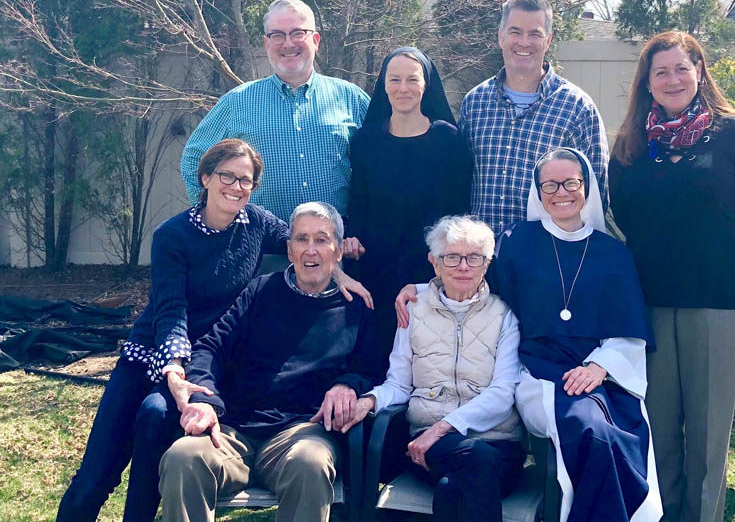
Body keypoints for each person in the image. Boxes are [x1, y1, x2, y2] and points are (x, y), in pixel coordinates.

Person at [396, 149, 662, 521]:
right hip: (538, 371)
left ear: (587, 188)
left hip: (600, 374)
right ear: (538, 191)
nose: (561, 192)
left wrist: (600, 366)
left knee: (618, 436)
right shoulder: (517, 240)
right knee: (592, 434)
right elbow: (472, 285)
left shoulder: (613, 252)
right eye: (549, 184)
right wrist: (420, 289)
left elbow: (629, 327)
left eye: (571, 182)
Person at [57, 139, 286, 522]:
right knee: (97, 472)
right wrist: (174, 370)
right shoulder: (172, 235)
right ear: (206, 177)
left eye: (246, 180)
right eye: (227, 175)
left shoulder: (257, 223)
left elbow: (304, 243)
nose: (236, 186)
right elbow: (171, 310)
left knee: (156, 420)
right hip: (152, 353)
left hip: (204, 363)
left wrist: (342, 258)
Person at [609, 31, 735, 522]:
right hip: (651, 300)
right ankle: (661, 514)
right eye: (660, 71)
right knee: (660, 424)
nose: (672, 79)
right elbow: (622, 212)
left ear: (700, 71)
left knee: (708, 431)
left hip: (718, 300)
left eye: (681, 68)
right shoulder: (630, 143)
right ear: (646, 81)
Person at [158, 202, 380, 522]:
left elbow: (372, 369)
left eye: (321, 239)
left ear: (337, 250)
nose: (310, 250)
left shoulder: (356, 307)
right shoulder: (260, 290)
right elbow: (210, 349)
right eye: (301, 240)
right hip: (234, 429)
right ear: (289, 250)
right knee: (184, 456)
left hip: (302, 433)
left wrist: (348, 384)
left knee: (312, 463)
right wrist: (204, 400)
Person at [346, 215, 525, 522]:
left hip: (496, 446)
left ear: (488, 262)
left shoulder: (504, 315)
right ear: (434, 262)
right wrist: (370, 400)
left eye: (474, 258)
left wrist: (443, 429)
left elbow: (502, 393)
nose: (463, 266)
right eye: (452, 257)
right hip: (429, 447)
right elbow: (399, 384)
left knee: (452, 488)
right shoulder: (414, 308)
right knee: (470, 467)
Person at [180, 0, 370, 224]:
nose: (288, 43)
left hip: (333, 247)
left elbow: (378, 165)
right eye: (277, 35)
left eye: (298, 33)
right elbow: (193, 160)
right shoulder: (237, 102)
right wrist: (215, 219)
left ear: (316, 40)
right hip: (260, 249)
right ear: (267, 43)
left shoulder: (351, 98)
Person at [343, 46, 473, 359]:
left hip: (427, 263)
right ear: (383, 85)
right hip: (374, 261)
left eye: (412, 80)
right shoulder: (365, 139)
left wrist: (443, 254)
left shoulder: (449, 140)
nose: (403, 88)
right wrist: (352, 234)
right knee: (376, 346)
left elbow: (457, 207)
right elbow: (358, 199)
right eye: (395, 80)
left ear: (426, 84)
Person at [459, 0, 608, 234]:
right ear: (500, 37)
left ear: (548, 41)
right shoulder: (474, 104)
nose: (524, 42)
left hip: (546, 262)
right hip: (479, 263)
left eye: (535, 34)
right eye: (515, 32)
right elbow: (460, 182)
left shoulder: (578, 108)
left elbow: (596, 193)